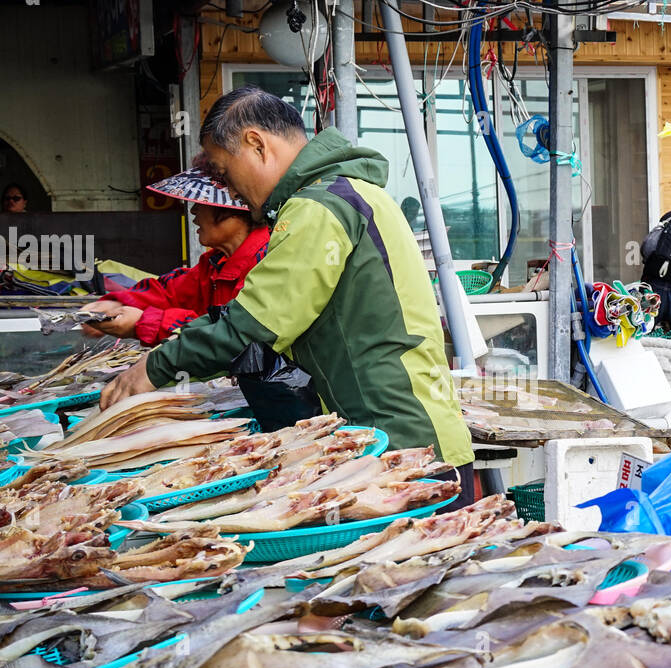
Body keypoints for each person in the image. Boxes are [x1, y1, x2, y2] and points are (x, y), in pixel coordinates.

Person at [101, 86, 475, 503]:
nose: (231, 190)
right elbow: (249, 312)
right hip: (408, 437)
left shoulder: (319, 208)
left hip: (404, 447)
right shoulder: (348, 193)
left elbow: (251, 327)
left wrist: (154, 367)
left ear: (256, 144)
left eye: (225, 172)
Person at [80, 168, 270, 345]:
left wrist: (144, 322)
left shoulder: (267, 262)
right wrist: (117, 302)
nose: (194, 211)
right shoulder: (216, 263)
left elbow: (231, 331)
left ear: (235, 212)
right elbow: (170, 291)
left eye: (202, 203)